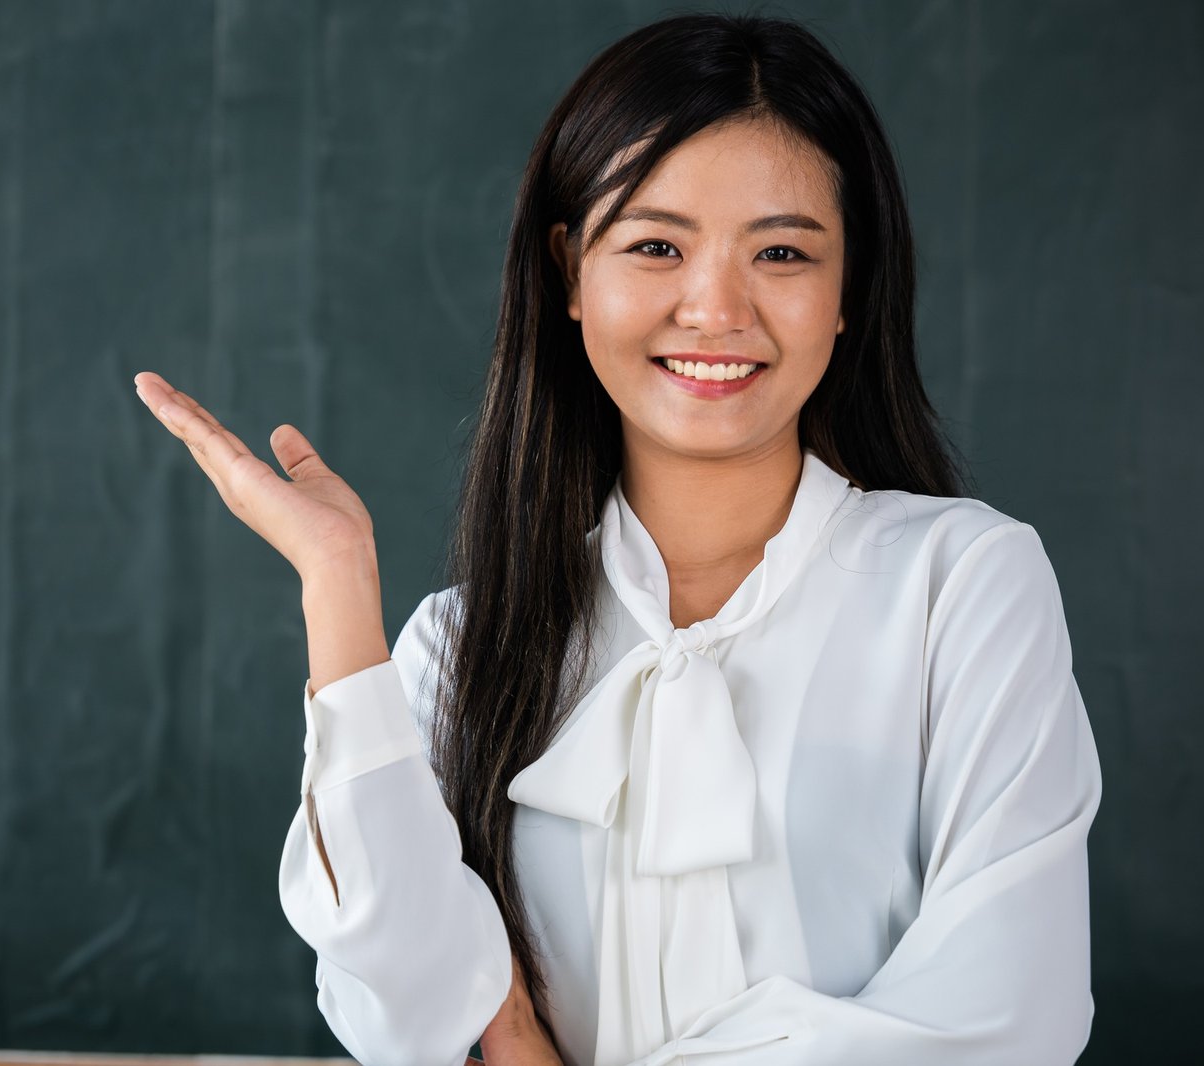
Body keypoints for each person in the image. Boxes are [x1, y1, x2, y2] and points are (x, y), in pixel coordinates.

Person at [134, 12, 1102, 1066]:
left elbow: (1003, 1017)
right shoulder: (458, 645)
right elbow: (397, 1015)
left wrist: (512, 1032)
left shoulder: (962, 585)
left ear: (848, 289)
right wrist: (336, 585)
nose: (715, 307)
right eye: (654, 246)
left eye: (781, 250)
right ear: (568, 275)